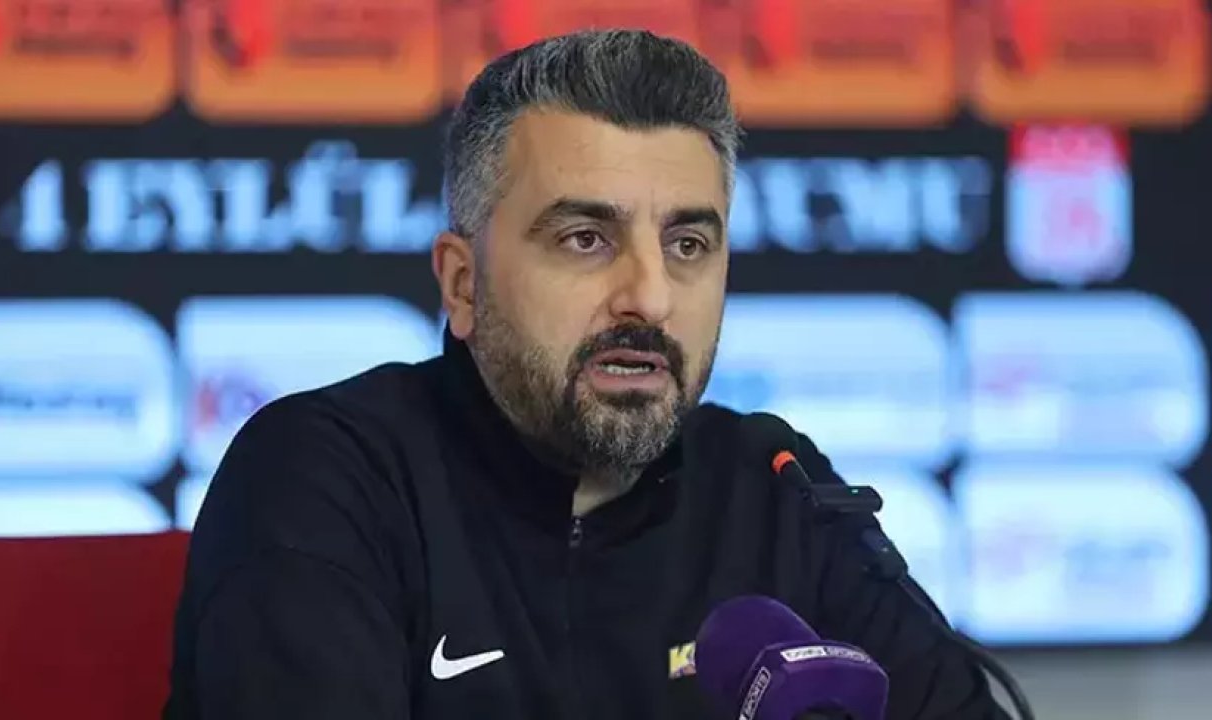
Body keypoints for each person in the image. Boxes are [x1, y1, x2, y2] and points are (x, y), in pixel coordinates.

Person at [164, 29, 1010, 720]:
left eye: (688, 244)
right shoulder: (325, 476)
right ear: (462, 283)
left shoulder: (774, 486)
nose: (650, 296)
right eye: (585, 239)